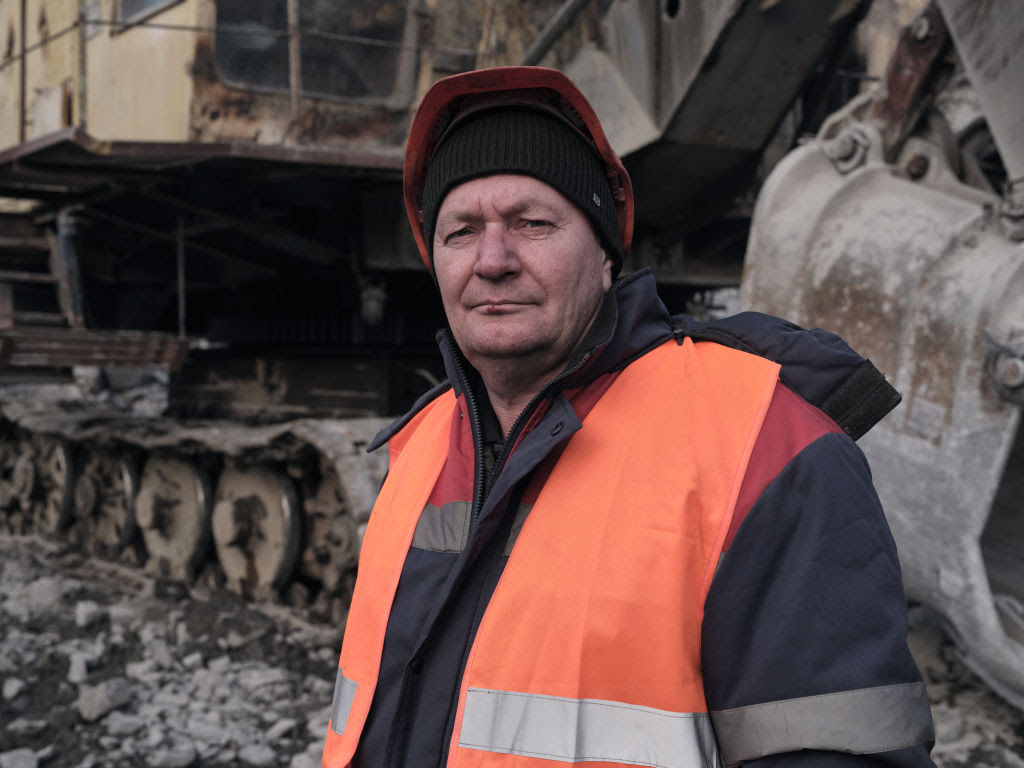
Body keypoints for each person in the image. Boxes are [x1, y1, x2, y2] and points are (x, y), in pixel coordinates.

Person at [323, 66, 936, 768]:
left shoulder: (764, 440)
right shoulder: (421, 447)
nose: (492, 260)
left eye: (532, 223)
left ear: (607, 255)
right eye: (461, 230)